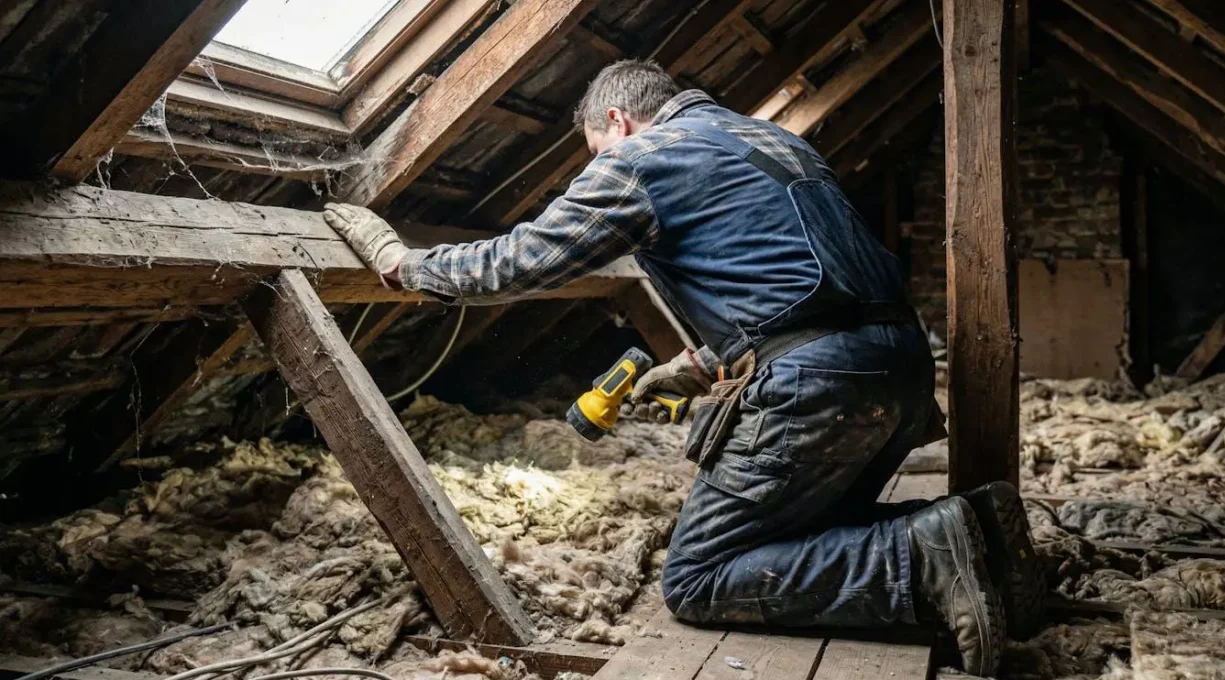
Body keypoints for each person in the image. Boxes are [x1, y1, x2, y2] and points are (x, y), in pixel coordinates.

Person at [323, 59, 1044, 675]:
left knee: (700, 576)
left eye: (593, 150)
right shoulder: (773, 141)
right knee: (808, 533)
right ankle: (978, 523)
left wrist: (404, 264)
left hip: (819, 385)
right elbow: (800, 277)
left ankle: (922, 552)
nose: (595, 168)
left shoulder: (642, 159)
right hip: (899, 368)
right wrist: (702, 362)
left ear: (619, 120)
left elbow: (523, 260)